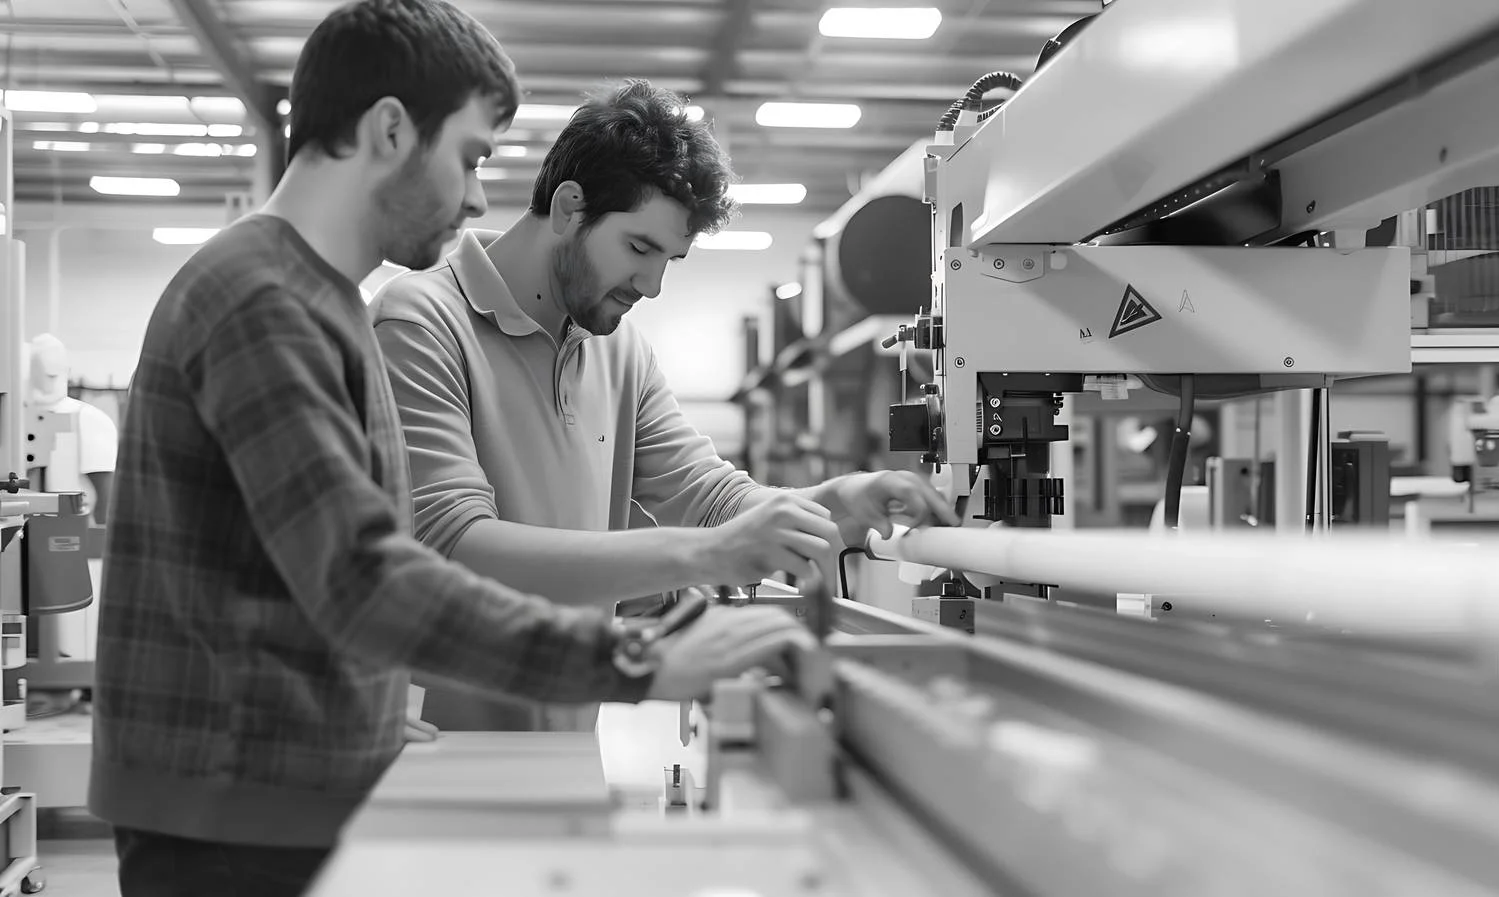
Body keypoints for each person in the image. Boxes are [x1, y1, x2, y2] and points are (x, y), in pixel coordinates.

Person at [88, 4, 811, 896]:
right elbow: (368, 577)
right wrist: (638, 661)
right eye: (469, 157)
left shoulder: (319, 302)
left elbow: (309, 566)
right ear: (391, 130)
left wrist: (364, 705)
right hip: (234, 810)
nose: (475, 198)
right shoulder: (263, 299)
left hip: (279, 785)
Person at [370, 78, 957, 733]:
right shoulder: (422, 321)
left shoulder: (620, 352)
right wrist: (706, 554)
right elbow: (453, 546)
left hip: (568, 735)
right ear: (568, 208)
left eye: (669, 259)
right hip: (440, 746)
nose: (651, 285)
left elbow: (709, 497)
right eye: (639, 248)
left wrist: (836, 502)